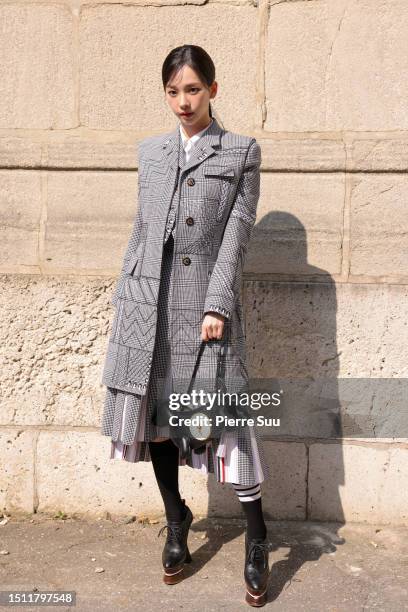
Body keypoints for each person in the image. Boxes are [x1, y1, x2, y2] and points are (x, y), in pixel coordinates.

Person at [100, 44, 270, 607]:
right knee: (158, 424)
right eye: (173, 91)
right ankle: (177, 522)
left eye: (193, 89)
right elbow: (141, 230)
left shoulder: (241, 151)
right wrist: (128, 298)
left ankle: (257, 535)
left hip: (207, 311)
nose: (182, 101)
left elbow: (237, 236)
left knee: (228, 423)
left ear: (213, 90)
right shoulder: (149, 153)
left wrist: (218, 305)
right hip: (149, 307)